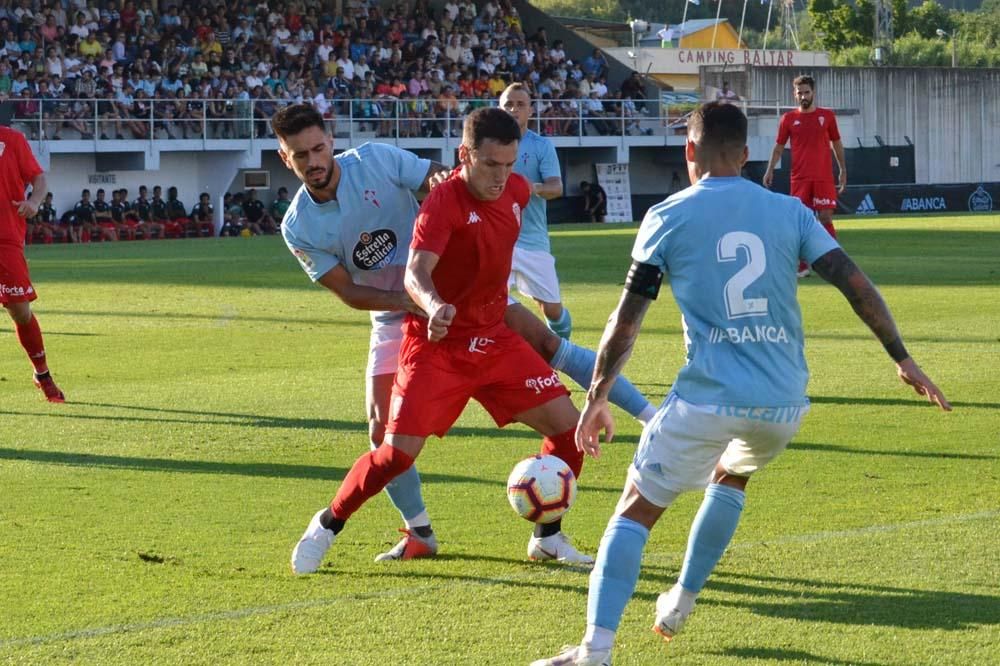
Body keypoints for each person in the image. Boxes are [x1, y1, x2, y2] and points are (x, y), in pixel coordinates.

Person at [531, 102, 951, 666]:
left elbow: (626, 321)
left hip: (708, 397)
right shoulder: (791, 212)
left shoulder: (668, 214)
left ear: (689, 153)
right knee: (732, 475)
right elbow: (856, 285)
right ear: (747, 154)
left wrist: (598, 396)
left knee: (634, 512)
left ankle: (595, 651)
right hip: (783, 404)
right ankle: (680, 599)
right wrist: (902, 357)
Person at [273, 104, 652, 570]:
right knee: (388, 445)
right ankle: (342, 525)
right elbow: (358, 288)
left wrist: (477, 288)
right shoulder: (300, 224)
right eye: (300, 154)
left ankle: (549, 535)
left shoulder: (397, 164)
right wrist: (427, 304)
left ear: (330, 141)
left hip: (482, 323)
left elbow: (438, 177)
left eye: (318, 148)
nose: (313, 160)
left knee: (566, 415)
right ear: (284, 156)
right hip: (413, 320)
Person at [499, 83, 572, 339]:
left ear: (530, 110)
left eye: (520, 104)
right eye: (508, 104)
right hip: (496, 240)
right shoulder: (487, 144)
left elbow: (557, 187)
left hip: (533, 240)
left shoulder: (541, 146)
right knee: (493, 304)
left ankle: (561, 356)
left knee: (552, 310)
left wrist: (533, 187)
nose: (513, 109)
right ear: (499, 108)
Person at [0, 124, 65, 402]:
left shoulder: (12, 139)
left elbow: (38, 178)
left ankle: (42, 374)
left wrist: (35, 201)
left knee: (20, 311)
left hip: (6, 238)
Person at [763, 74, 846, 278]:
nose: (803, 96)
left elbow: (836, 143)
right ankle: (802, 265)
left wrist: (842, 169)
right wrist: (770, 169)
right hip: (799, 178)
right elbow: (779, 147)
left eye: (806, 92)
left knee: (825, 216)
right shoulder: (788, 119)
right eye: (799, 93)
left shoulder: (827, 116)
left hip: (823, 177)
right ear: (794, 94)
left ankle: (833, 263)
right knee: (801, 221)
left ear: (813, 92)